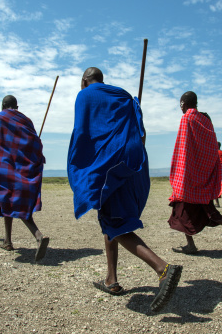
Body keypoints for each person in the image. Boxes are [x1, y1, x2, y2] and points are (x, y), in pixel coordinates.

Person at [68, 67, 182, 312]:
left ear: (84, 81)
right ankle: (112, 280)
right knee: (112, 218)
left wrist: (82, 168)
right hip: (134, 161)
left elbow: (83, 133)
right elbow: (141, 133)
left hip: (110, 162)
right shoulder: (123, 95)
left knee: (115, 223)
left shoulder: (85, 96)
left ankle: (163, 269)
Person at [168, 91, 222, 256]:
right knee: (205, 209)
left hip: (188, 176)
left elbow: (183, 149)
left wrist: (179, 174)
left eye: (180, 104)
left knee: (181, 210)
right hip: (203, 173)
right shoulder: (205, 120)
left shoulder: (187, 118)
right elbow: (209, 150)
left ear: (183, 103)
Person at [0, 95, 49, 261]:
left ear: (3, 105)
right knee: (9, 201)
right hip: (19, 167)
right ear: (16, 106)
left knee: (9, 201)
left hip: (2, 167)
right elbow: (33, 142)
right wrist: (38, 156)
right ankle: (7, 240)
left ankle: (38, 236)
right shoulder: (25, 120)